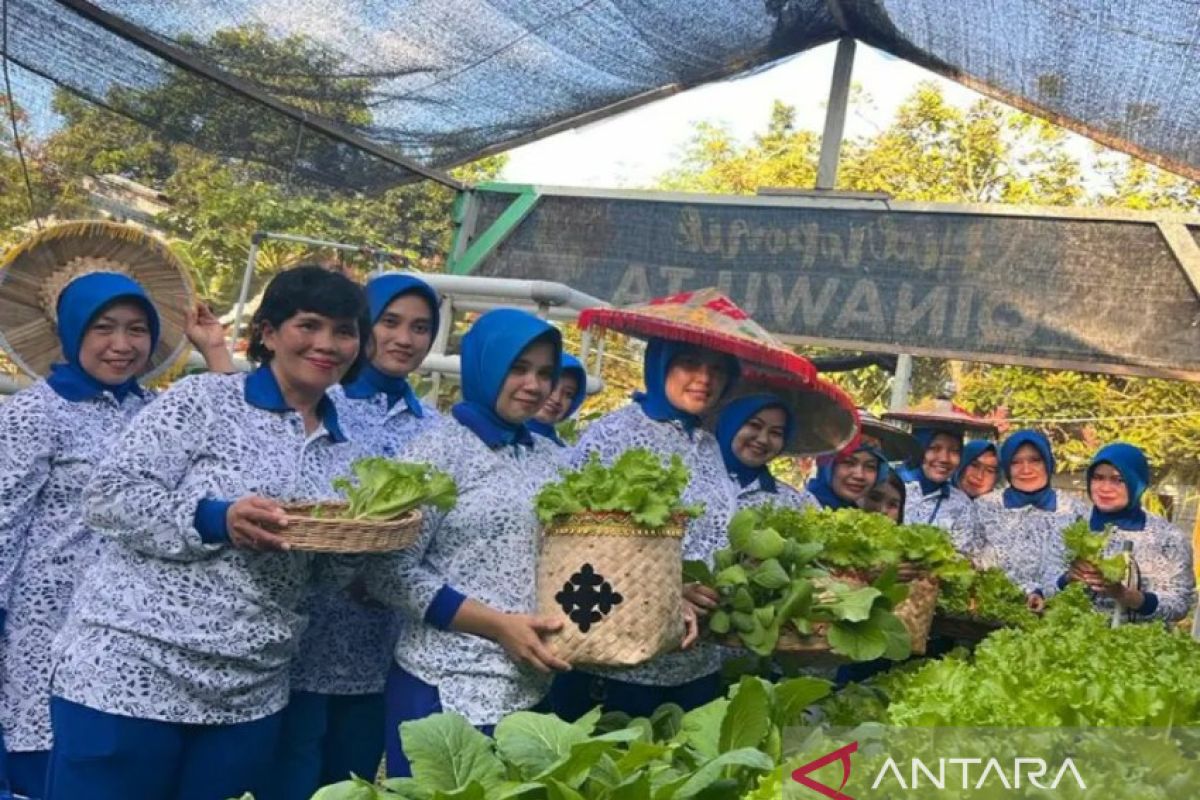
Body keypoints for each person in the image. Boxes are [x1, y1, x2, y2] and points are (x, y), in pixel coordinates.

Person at [44, 266, 369, 800]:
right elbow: (109, 495)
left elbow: (324, 575)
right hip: (131, 671)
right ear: (268, 333)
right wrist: (217, 518)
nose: (327, 344)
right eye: (308, 325)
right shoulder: (205, 401)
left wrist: (359, 543)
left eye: (345, 331)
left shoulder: (349, 450)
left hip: (248, 690)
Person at [0, 273, 231, 800]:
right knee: (46, 764)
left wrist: (216, 351)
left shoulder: (155, 410)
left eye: (136, 330)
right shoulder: (34, 413)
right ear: (74, 331)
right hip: (45, 629)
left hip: (130, 629)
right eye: (104, 328)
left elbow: (230, 450)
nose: (122, 346)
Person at [358, 308, 569, 778]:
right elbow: (389, 572)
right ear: (485, 366)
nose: (534, 385)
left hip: (529, 688)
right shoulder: (436, 451)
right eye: (518, 368)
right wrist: (496, 625)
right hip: (442, 685)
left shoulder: (551, 457)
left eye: (545, 373)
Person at [270, 274, 442, 800]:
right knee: (285, 778)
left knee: (350, 783)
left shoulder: (433, 425)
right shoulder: (320, 399)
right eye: (389, 322)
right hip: (297, 636)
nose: (404, 339)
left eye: (421, 327)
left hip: (376, 645)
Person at [549, 339, 738, 720]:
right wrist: (667, 592)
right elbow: (573, 543)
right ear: (660, 364)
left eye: (718, 369)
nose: (705, 379)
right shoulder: (615, 433)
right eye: (689, 362)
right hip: (618, 665)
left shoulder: (707, 443)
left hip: (696, 665)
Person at [1061, 442, 1194, 623]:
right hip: (1074, 641)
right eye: (1098, 478)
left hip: (1139, 646)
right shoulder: (1073, 526)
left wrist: (1128, 596)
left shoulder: (1167, 537)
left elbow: (1180, 604)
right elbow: (1048, 587)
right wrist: (1069, 578)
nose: (1105, 488)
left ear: (1136, 482)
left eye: (1118, 479)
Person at [975, 430, 1086, 611]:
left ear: (1048, 463)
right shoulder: (985, 507)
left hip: (1059, 617)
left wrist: (1048, 591)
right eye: (1015, 462)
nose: (1026, 470)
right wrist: (1025, 591)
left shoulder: (1074, 510)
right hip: (995, 614)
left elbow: (1079, 568)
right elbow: (976, 564)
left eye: (1035, 460)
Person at [715, 394, 817, 511]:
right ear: (730, 425)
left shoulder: (794, 503)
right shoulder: (693, 478)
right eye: (755, 425)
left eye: (776, 433)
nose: (763, 439)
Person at [898, 426, 980, 556]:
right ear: (919, 449)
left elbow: (962, 556)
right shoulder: (891, 488)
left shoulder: (961, 504)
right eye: (934, 448)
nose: (944, 459)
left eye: (954, 451)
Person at [528, 352, 586, 448]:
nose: (557, 399)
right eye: (552, 386)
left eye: (568, 394)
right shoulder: (500, 436)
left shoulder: (564, 454)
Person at [806, 442, 886, 511]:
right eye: (848, 462)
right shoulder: (801, 506)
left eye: (870, 466)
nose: (860, 475)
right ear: (827, 465)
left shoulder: (858, 517)